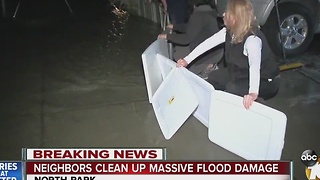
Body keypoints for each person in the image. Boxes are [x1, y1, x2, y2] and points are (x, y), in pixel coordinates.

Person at [176, 0, 280, 109]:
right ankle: (212, 107)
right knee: (214, 77)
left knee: (233, 88)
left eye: (227, 13)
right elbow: (207, 44)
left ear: (235, 18)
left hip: (266, 81)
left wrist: (253, 93)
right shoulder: (229, 32)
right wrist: (186, 60)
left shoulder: (252, 40)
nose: (223, 15)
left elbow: (254, 66)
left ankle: (256, 105)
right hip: (242, 72)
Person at [158, 0, 223, 78]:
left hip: (206, 57)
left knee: (178, 53)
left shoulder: (199, 14)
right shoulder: (210, 10)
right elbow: (192, 27)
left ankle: (204, 69)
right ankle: (209, 67)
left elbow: (186, 39)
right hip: (216, 54)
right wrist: (175, 27)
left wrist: (167, 36)